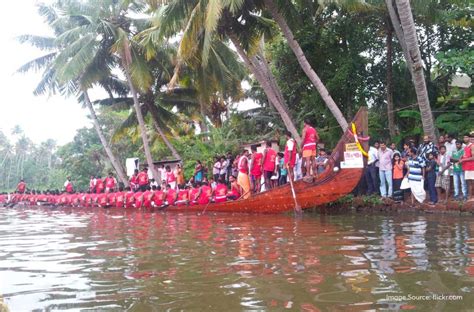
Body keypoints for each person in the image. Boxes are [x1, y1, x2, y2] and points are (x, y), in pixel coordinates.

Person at [460, 132, 474, 200]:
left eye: (466, 137)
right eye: (464, 137)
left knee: (472, 182)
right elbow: (465, 156)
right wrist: (461, 158)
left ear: (469, 138)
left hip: (472, 167)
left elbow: (473, 157)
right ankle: (470, 196)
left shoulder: (472, 146)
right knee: (469, 182)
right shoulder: (465, 146)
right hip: (467, 167)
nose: (465, 138)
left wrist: (463, 160)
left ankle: (471, 197)